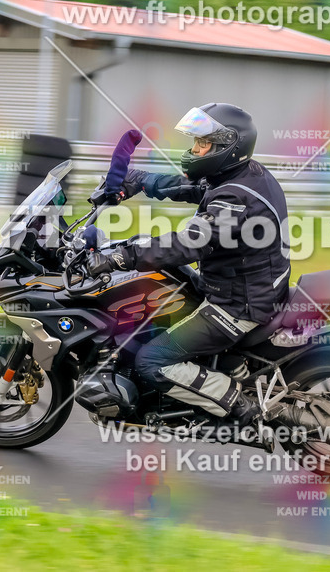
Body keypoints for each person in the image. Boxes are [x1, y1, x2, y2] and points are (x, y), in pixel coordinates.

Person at [85, 103, 290, 426]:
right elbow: (192, 188)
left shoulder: (235, 200)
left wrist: (120, 258)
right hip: (241, 285)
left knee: (152, 361)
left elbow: (188, 243)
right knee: (160, 276)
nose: (194, 150)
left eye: (202, 144)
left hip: (238, 305)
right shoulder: (240, 175)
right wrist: (140, 180)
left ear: (227, 147)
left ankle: (241, 404)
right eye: (195, 142)